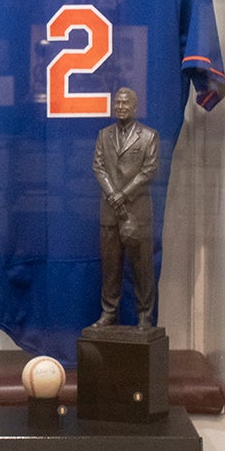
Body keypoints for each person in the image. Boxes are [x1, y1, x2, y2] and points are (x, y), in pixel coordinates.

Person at [91, 87, 159, 329]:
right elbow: (98, 166)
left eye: (125, 103)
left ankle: (144, 314)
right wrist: (112, 194)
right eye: (117, 103)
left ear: (135, 107)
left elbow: (149, 171)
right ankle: (108, 312)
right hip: (109, 213)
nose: (120, 107)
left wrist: (123, 194)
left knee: (141, 268)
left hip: (137, 213)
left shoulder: (149, 136)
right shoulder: (104, 135)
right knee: (111, 268)